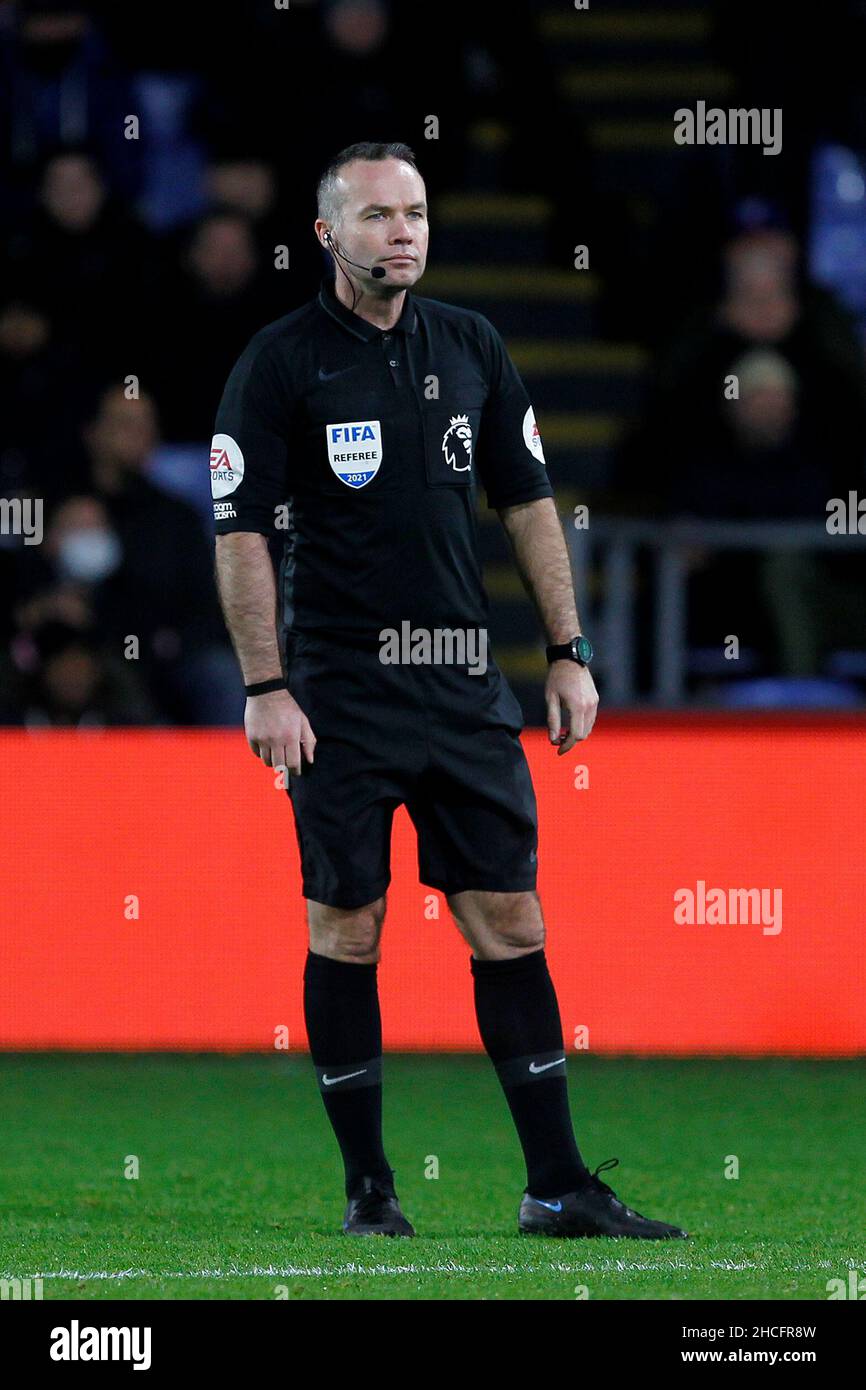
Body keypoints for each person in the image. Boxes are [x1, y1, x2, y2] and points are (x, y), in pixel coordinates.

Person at [212, 141, 688, 1241]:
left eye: (415, 211)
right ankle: (369, 1190)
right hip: (336, 687)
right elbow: (237, 530)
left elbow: (526, 498)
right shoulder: (280, 362)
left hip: (461, 681)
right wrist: (265, 684)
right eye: (377, 215)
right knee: (349, 922)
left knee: (507, 917)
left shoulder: (470, 343)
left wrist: (567, 649)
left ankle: (557, 1184)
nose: (404, 232)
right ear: (328, 234)